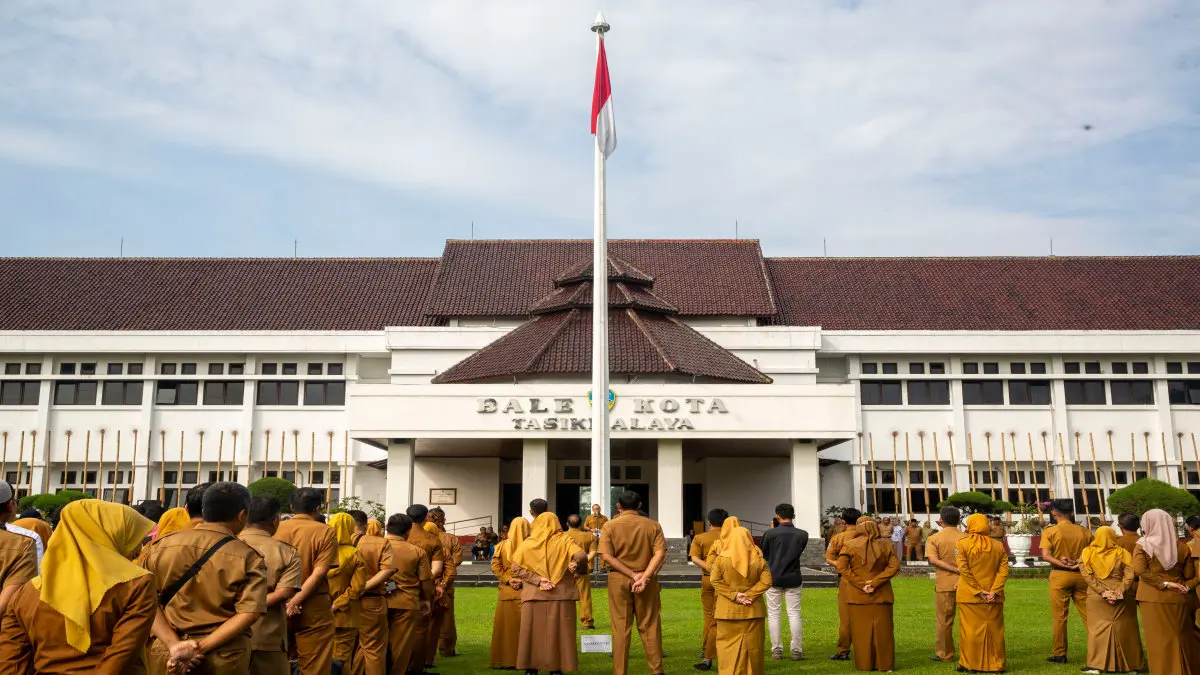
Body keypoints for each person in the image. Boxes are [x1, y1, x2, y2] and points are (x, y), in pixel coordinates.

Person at [0, 501, 156, 674]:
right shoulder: (136, 584)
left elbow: (11, 661)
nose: (137, 549)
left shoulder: (28, 592)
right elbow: (122, 655)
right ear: (107, 535)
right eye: (130, 537)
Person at [142, 481, 269, 675]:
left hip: (167, 652)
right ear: (242, 514)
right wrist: (199, 648)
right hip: (223, 654)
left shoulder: (159, 547)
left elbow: (146, 602)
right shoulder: (248, 556)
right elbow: (250, 612)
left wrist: (175, 646)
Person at [511, 511, 588, 674]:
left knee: (532, 633)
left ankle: (531, 668)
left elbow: (516, 567)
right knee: (560, 633)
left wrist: (537, 579)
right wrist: (578, 568)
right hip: (561, 593)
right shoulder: (564, 540)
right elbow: (581, 555)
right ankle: (557, 668)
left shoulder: (528, 543)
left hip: (534, 594)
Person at [600, 490, 667, 675]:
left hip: (619, 578)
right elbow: (660, 554)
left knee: (620, 626)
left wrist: (631, 574)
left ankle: (620, 671)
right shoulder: (653, 525)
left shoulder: (610, 526)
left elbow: (607, 556)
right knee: (650, 623)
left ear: (618, 506)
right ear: (639, 506)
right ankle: (657, 670)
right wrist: (643, 576)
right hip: (647, 578)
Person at [273, 487, 339, 675]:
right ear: (318, 507)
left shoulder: (276, 528)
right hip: (313, 605)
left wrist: (287, 601)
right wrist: (295, 601)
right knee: (314, 667)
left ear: (292, 506)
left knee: (276, 662)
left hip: (276, 604)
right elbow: (319, 573)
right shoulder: (325, 531)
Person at [238, 496, 304, 675]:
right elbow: (284, 592)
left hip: (224, 634)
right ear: (275, 520)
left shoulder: (226, 545)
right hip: (267, 636)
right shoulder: (286, 552)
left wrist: (237, 607)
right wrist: (251, 605)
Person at [1133, 508, 1200, 674]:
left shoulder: (1143, 545)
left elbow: (1140, 570)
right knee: (1179, 638)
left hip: (1152, 597)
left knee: (1158, 641)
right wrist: (1182, 585)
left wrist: (1164, 583)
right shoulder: (1182, 547)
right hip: (1178, 597)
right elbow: (1189, 575)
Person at [836, 515, 900, 672]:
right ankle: (885, 665)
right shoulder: (886, 544)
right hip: (882, 593)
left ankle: (864, 664)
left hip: (857, 594)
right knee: (884, 631)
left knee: (860, 632)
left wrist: (862, 584)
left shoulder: (849, 545)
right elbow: (894, 567)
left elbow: (842, 568)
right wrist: (875, 582)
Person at [709, 518, 771, 675]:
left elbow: (714, 580)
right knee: (753, 649)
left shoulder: (722, 559)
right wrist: (749, 595)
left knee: (726, 649)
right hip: (753, 610)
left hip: (727, 612)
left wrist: (735, 595)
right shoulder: (759, 560)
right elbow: (767, 582)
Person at [1079, 526, 1144, 674]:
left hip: (1097, 596)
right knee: (1126, 629)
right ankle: (1131, 666)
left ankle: (1096, 665)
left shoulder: (1087, 553)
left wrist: (1103, 592)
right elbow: (1130, 574)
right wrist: (1119, 591)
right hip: (1121, 594)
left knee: (1097, 629)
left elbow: (1088, 577)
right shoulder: (1123, 553)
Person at [955, 513, 1010, 673]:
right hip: (994, 596)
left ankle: (970, 663)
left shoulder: (962, 544)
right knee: (995, 631)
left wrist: (978, 590)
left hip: (970, 595)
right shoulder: (998, 545)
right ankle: (997, 664)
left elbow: (963, 570)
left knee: (969, 631)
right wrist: (994, 590)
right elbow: (1003, 570)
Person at [1040, 499, 1092, 664]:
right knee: (1089, 616)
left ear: (1054, 514)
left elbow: (1046, 555)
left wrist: (1063, 564)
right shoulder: (1085, 532)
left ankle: (1059, 653)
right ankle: (1098, 650)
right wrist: (1077, 563)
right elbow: (1092, 554)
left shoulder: (1051, 531)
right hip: (1082, 576)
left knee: (1059, 617)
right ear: (1071, 513)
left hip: (1060, 575)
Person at [384, 514, 434, 675]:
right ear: (408, 532)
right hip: (406, 602)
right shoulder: (416, 551)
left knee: (373, 644)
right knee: (401, 646)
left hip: (378, 601)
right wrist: (426, 599)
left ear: (386, 527)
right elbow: (425, 581)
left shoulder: (376, 546)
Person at [759, 502, 808, 661]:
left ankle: (777, 649)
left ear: (777, 516)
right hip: (793, 576)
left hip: (773, 576)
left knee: (774, 614)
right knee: (794, 613)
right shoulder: (802, 534)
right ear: (793, 515)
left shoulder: (770, 533)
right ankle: (796, 650)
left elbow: (764, 553)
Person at [351, 518, 397, 675]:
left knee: (345, 647)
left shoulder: (333, 541)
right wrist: (362, 588)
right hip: (371, 599)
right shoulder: (380, 543)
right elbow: (389, 570)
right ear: (366, 525)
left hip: (338, 601)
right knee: (373, 648)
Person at [404, 504, 446, 673]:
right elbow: (436, 569)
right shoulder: (432, 539)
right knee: (420, 630)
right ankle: (415, 668)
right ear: (426, 517)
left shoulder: (397, 537)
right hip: (422, 588)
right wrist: (423, 581)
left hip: (398, 588)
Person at [327, 512, 367, 674]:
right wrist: (338, 604)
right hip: (346, 614)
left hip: (319, 612)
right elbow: (357, 587)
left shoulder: (320, 551)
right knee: (342, 660)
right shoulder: (354, 554)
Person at [925, 506, 965, 663]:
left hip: (945, 583)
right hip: (967, 582)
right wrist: (961, 571)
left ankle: (945, 653)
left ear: (940, 520)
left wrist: (955, 570)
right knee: (969, 619)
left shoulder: (935, 538)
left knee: (944, 620)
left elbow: (933, 560)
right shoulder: (966, 537)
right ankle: (970, 652)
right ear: (959, 521)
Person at [689, 508, 727, 671]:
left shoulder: (700, 537)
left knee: (708, 616)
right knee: (723, 617)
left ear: (709, 522)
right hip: (726, 581)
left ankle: (707, 650)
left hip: (707, 578)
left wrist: (710, 568)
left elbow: (694, 558)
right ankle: (719, 650)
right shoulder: (730, 538)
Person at [491, 517, 530, 669]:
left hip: (507, 591)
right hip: (527, 589)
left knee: (505, 627)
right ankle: (526, 660)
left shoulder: (501, 546)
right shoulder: (532, 547)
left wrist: (508, 579)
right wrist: (522, 580)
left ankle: (504, 660)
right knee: (526, 628)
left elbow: (495, 567)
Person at [425, 508, 461, 664]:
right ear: (443, 519)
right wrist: (445, 571)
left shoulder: (415, 542)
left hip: (422, 584)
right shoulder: (450, 539)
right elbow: (457, 560)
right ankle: (447, 649)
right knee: (446, 618)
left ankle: (421, 652)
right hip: (444, 584)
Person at [825, 507, 861, 662]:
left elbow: (828, 558)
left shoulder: (838, 537)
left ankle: (843, 651)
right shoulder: (867, 536)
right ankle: (865, 648)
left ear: (844, 520)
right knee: (865, 617)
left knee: (846, 618)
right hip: (867, 579)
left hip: (847, 580)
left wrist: (842, 566)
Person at [564, 514, 599, 630]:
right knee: (584, 595)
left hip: (564, 570)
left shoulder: (561, 537)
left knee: (564, 595)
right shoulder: (589, 536)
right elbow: (593, 552)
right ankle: (587, 622)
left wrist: (569, 564)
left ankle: (564, 620)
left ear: (567, 524)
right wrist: (580, 562)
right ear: (580, 524)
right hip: (582, 569)